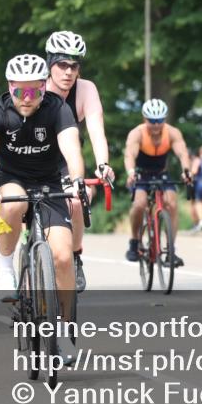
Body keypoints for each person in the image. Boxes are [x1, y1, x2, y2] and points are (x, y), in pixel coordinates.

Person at [0, 53, 86, 362]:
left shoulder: (57, 108)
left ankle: (64, 332)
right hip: (11, 181)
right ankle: (5, 271)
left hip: (50, 182)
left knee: (64, 257)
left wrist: (77, 180)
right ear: (9, 87)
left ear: (43, 87)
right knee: (13, 205)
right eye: (19, 91)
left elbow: (71, 147)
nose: (27, 99)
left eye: (34, 91)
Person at [45, 30, 115, 293]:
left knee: (77, 198)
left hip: (66, 158)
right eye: (62, 64)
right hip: (33, 155)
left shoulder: (86, 90)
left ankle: (74, 256)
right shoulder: (36, 87)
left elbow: (96, 130)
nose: (68, 72)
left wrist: (103, 164)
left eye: (74, 65)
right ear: (50, 63)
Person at [124, 98, 192, 266]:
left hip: (161, 173)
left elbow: (183, 154)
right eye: (152, 121)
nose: (156, 125)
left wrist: (187, 171)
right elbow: (129, 155)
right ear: (144, 119)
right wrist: (131, 172)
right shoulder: (137, 133)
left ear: (165, 119)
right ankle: (134, 242)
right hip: (141, 174)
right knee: (139, 204)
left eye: (160, 121)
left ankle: (170, 250)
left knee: (172, 204)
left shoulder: (172, 133)